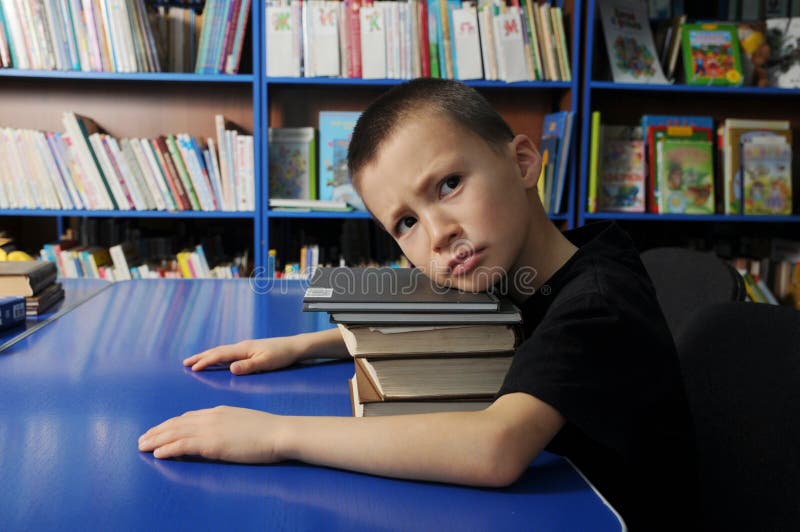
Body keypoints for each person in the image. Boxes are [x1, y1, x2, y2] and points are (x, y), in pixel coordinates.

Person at [139, 79, 699, 530]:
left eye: (449, 184)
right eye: (405, 222)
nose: (435, 233)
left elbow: (494, 449)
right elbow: (447, 312)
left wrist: (274, 435)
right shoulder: (528, 261)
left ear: (524, 162)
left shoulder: (598, 303)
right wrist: (299, 346)